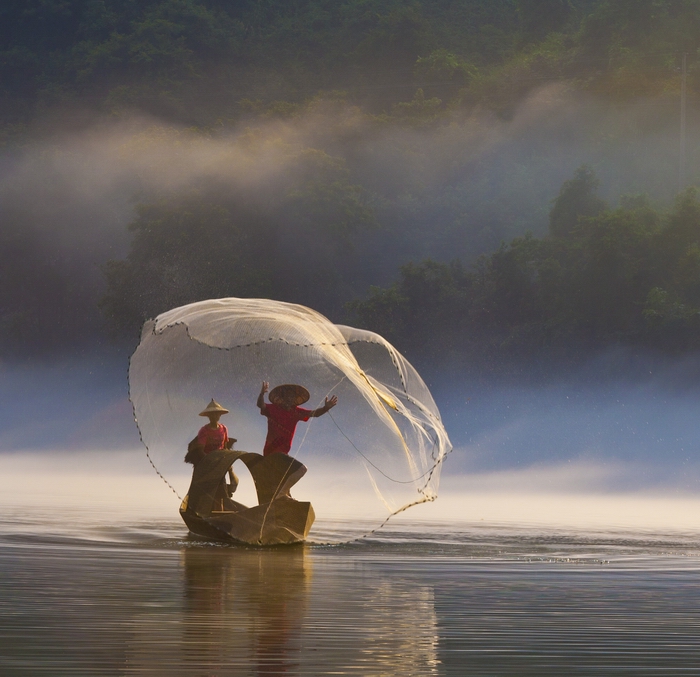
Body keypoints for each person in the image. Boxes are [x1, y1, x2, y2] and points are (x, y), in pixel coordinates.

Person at [257, 382, 337, 456]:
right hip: (270, 450)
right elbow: (260, 405)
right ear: (283, 397)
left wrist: (325, 408)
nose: (289, 398)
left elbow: (315, 414)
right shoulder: (273, 408)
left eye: (292, 397)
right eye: (287, 396)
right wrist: (261, 394)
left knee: (298, 468)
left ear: (294, 399)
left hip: (284, 453)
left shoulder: (296, 412)